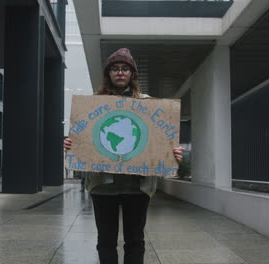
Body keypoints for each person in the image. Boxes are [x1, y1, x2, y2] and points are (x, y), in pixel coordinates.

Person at [64, 48, 184, 264]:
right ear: (108, 74)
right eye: (115, 68)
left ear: (132, 74)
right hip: (102, 186)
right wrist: (72, 144)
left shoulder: (148, 104)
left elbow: (162, 141)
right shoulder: (93, 105)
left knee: (135, 241)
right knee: (106, 242)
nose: (120, 72)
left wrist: (171, 153)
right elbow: (83, 139)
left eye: (125, 68)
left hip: (137, 187)